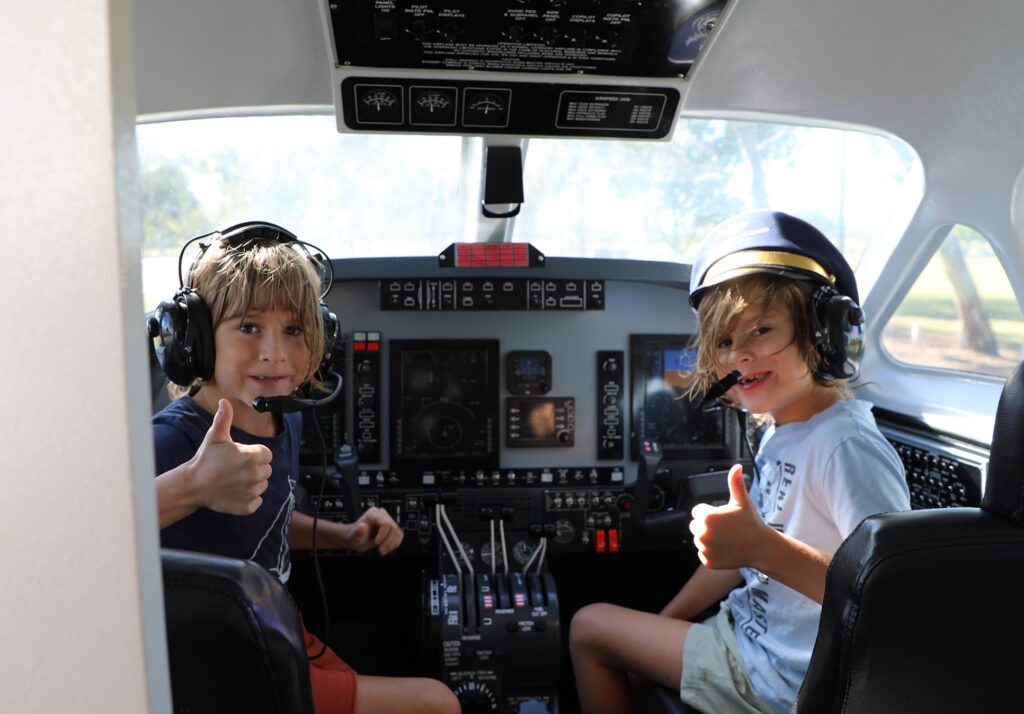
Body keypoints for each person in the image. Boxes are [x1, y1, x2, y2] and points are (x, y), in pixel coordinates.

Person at [569, 210, 911, 714]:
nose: (737, 357)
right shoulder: (784, 428)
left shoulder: (844, 446)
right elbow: (741, 556)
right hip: (751, 641)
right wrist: (666, 623)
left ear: (827, 334)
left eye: (761, 331)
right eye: (725, 342)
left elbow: (888, 598)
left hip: (780, 681)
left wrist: (763, 547)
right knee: (625, 649)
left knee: (587, 628)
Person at [151, 223, 459, 714]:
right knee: (439, 703)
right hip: (220, 662)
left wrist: (345, 535)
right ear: (196, 341)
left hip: (271, 627)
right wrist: (192, 484)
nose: (274, 352)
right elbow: (90, 538)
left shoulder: (277, 414)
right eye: (248, 327)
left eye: (294, 330)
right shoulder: (177, 440)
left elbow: (263, 517)